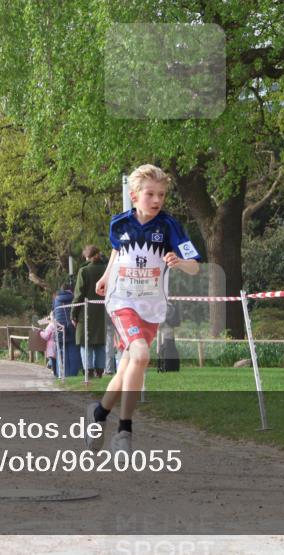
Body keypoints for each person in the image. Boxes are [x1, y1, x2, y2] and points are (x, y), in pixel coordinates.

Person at [84, 164, 201, 454]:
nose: (157, 200)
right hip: (122, 300)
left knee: (129, 366)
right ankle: (124, 432)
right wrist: (106, 276)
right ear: (134, 196)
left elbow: (195, 266)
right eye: (150, 194)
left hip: (151, 305)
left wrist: (180, 262)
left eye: (161, 194)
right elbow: (116, 251)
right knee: (140, 355)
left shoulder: (170, 226)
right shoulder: (119, 224)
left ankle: (99, 414)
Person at [72, 245, 108, 378]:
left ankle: (88, 371)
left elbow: (78, 295)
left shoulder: (84, 271)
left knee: (85, 343)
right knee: (100, 343)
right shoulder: (106, 269)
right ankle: (100, 371)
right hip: (104, 310)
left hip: (85, 312)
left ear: (86, 256)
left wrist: (73, 314)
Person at [52, 280, 84, 377]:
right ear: (71, 290)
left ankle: (62, 374)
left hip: (59, 329)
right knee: (73, 352)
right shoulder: (74, 298)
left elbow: (53, 313)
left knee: (61, 352)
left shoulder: (56, 299)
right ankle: (73, 374)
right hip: (72, 328)